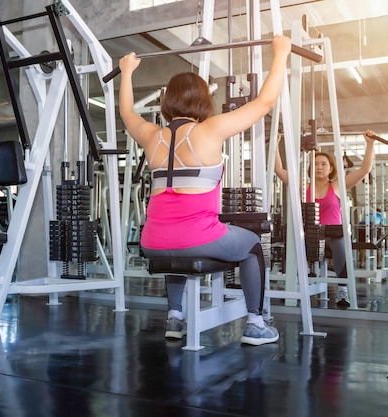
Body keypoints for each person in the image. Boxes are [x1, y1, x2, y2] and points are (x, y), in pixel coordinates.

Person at [119, 35, 292, 346]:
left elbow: (127, 113)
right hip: (198, 237)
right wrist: (281, 53)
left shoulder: (150, 135)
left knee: (176, 243)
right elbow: (265, 102)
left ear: (164, 102)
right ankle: (255, 323)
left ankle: (174, 316)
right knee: (252, 244)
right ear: (204, 102)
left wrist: (127, 71)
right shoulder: (210, 130)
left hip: (152, 242)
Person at [274, 130, 376, 307]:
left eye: (323, 164)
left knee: (339, 245)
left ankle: (342, 290)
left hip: (333, 235)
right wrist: (275, 144)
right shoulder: (302, 185)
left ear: (331, 169)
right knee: (293, 244)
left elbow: (364, 169)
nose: (319, 167)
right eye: (315, 164)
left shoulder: (337, 186)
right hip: (309, 235)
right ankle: (297, 285)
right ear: (310, 168)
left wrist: (370, 144)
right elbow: (278, 170)